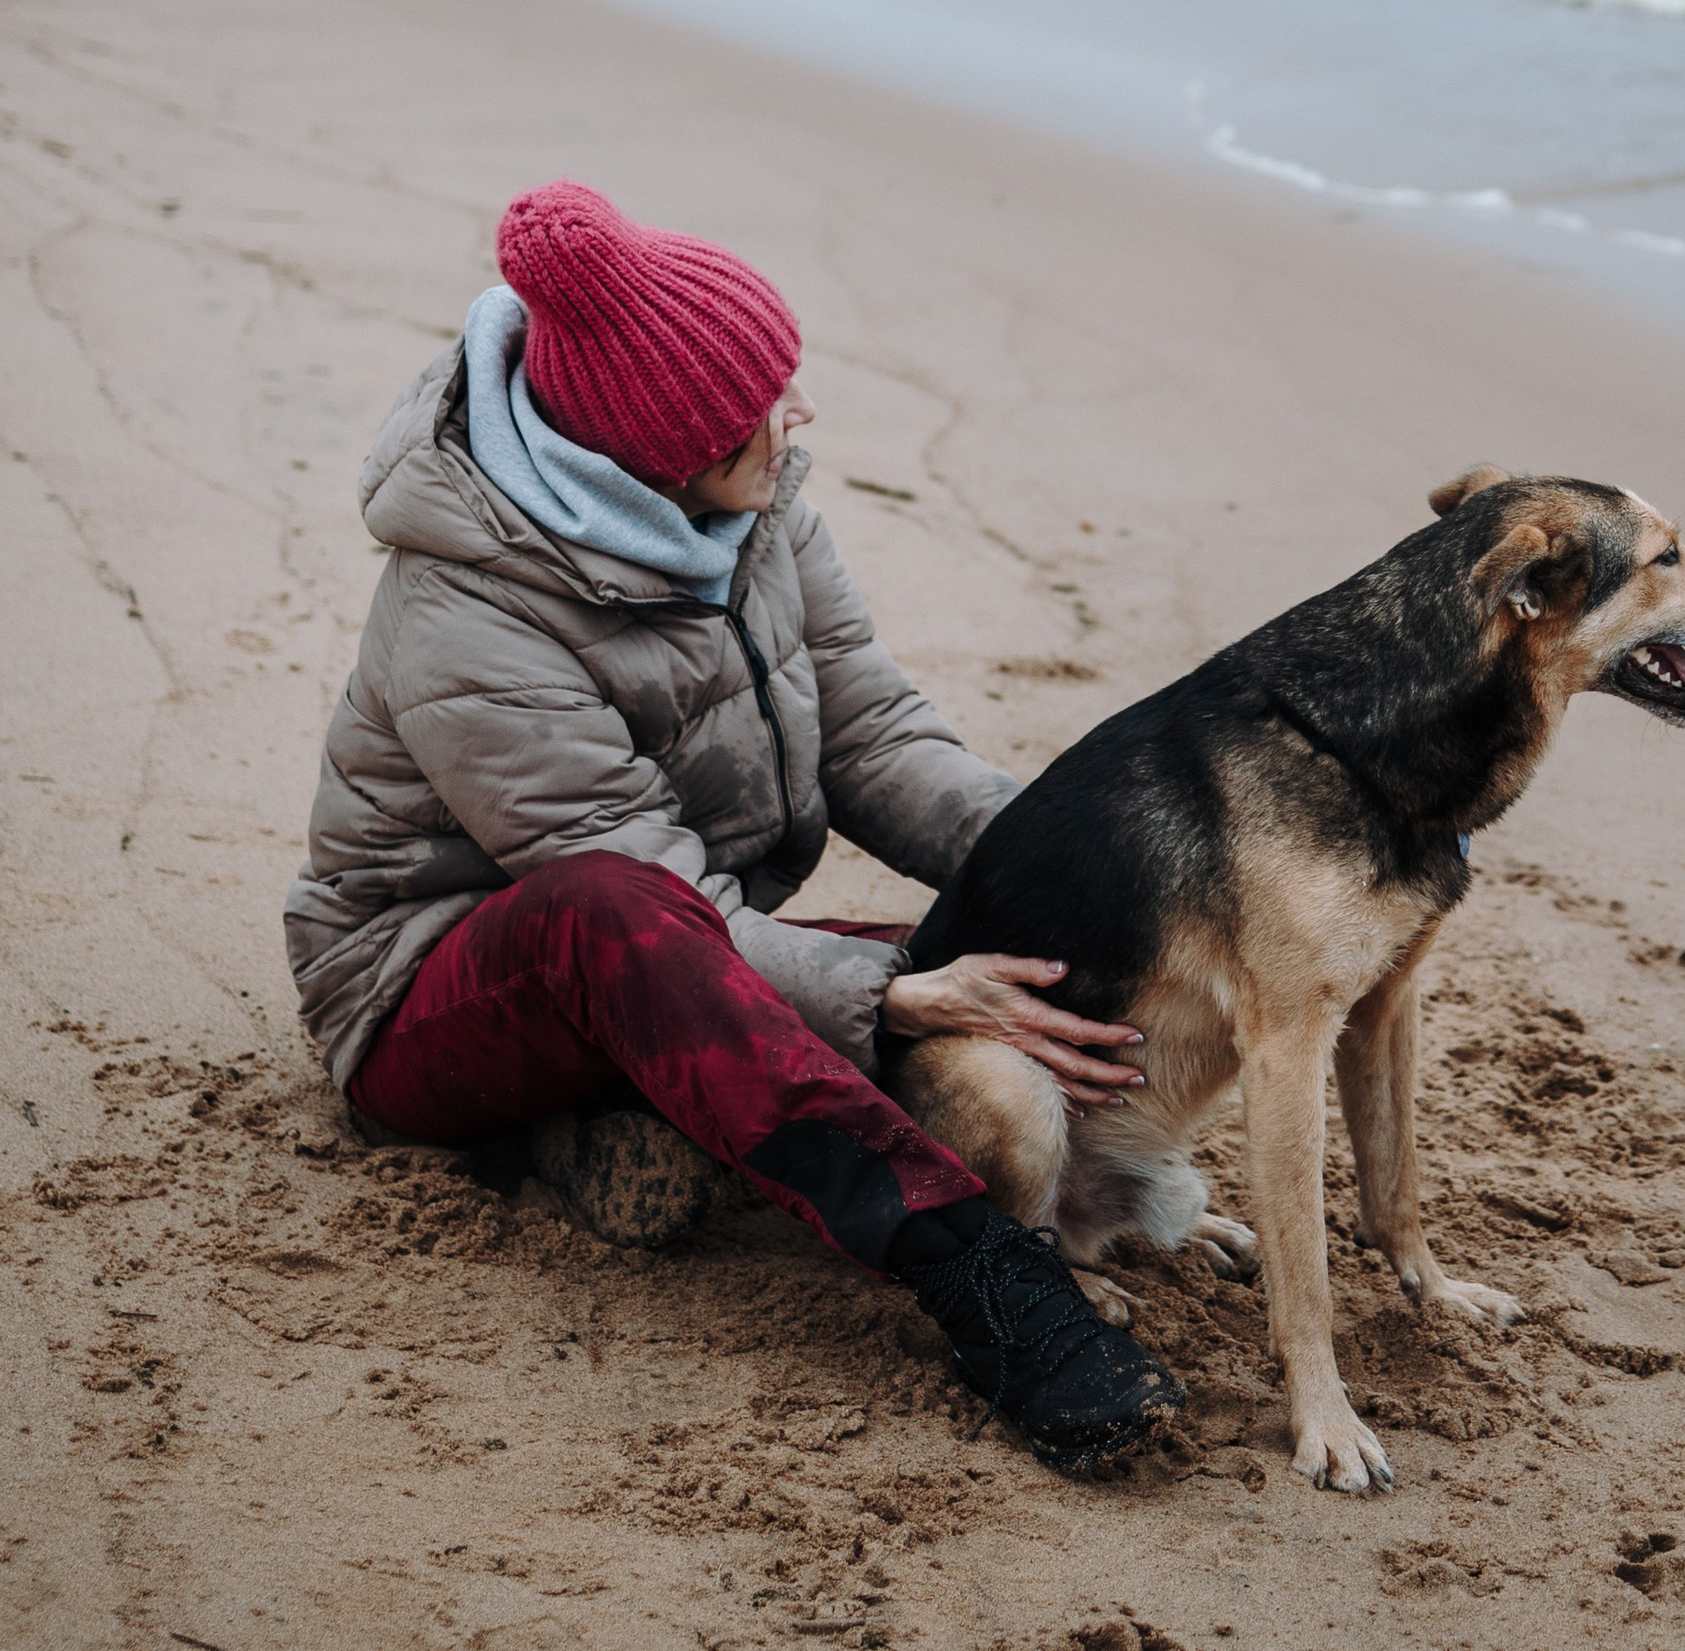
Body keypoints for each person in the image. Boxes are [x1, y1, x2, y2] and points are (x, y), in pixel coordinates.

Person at [284, 178, 1182, 1471]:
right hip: (430, 996)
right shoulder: (466, 617)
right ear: (664, 445)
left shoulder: (754, 509)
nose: (798, 413)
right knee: (648, 920)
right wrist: (902, 994)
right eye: (763, 401)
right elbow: (656, 904)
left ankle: (614, 1130)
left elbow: (873, 734)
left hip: (691, 949)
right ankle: (985, 1285)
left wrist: (1092, 864)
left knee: (1034, 970)